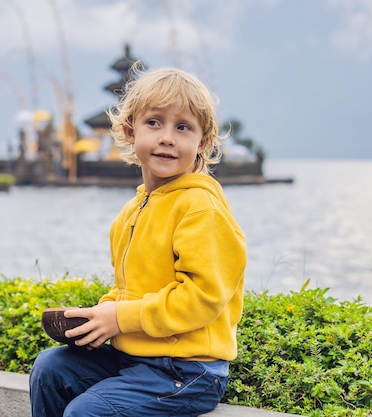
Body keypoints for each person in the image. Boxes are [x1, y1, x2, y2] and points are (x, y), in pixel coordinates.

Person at [29, 65, 247, 417]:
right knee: (51, 369)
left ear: (202, 142)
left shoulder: (201, 207)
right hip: (134, 356)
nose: (167, 137)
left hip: (188, 371)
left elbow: (202, 298)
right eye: (154, 122)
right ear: (130, 132)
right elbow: (129, 289)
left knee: (85, 414)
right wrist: (100, 315)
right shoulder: (131, 212)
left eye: (183, 127)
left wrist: (121, 317)